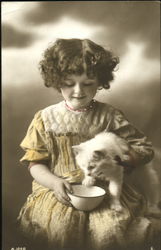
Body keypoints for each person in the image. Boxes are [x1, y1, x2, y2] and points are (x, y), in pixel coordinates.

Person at [17, 38, 160, 250]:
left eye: (88, 83)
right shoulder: (45, 118)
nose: (78, 91)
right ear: (57, 81)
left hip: (105, 190)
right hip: (60, 191)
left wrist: (121, 159)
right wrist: (54, 182)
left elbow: (145, 149)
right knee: (61, 230)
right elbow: (35, 164)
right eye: (69, 83)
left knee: (110, 232)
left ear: (100, 81)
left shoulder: (110, 116)